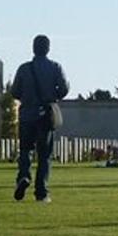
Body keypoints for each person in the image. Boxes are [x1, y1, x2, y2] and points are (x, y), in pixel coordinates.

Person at [10, 35, 69, 203]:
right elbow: (64, 88)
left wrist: (26, 98)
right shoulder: (55, 67)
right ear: (48, 49)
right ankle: (41, 191)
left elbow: (14, 91)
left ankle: (23, 176)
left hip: (27, 114)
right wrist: (52, 97)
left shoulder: (24, 68)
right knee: (44, 154)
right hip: (45, 115)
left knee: (25, 150)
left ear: (33, 48)